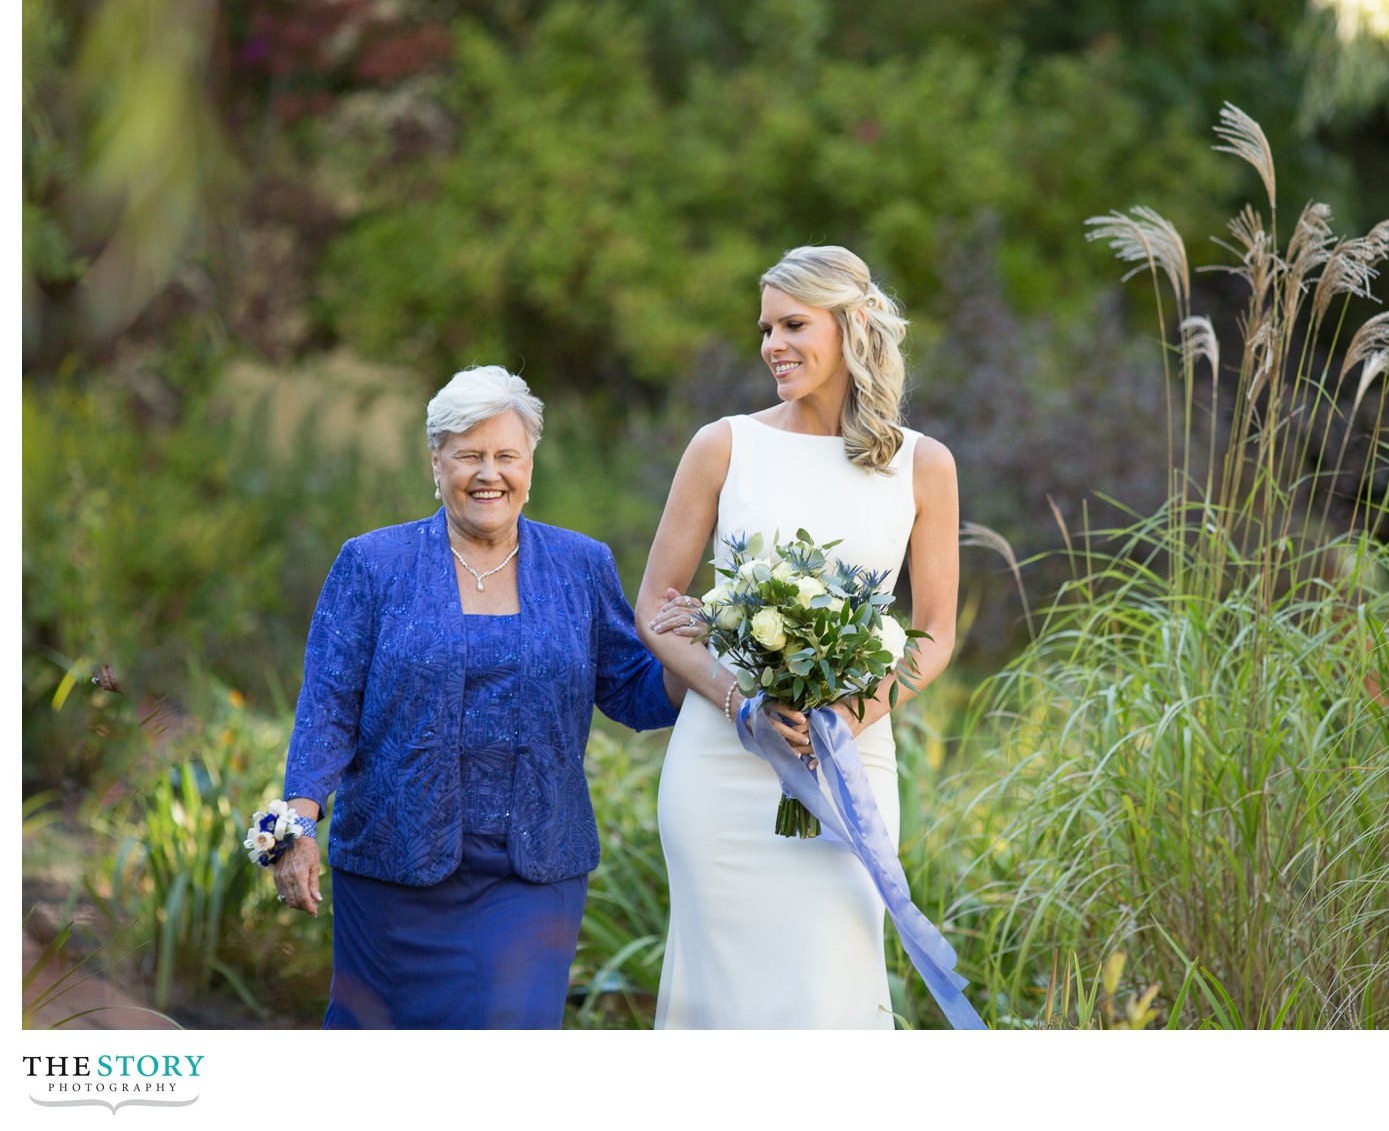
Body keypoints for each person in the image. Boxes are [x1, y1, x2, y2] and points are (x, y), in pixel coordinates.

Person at [271, 365, 683, 1029]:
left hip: (533, 869)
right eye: (469, 455)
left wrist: (703, 657)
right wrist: (288, 832)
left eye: (506, 456)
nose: (489, 472)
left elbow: (633, 691)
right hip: (390, 871)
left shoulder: (582, 565)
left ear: (530, 465)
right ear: (436, 462)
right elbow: (326, 704)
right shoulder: (373, 564)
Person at [637, 245, 960, 1028]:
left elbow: (936, 631)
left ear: (851, 327)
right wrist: (739, 698)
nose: (771, 345)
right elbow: (654, 605)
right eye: (764, 328)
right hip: (720, 769)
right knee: (722, 1003)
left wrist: (851, 717)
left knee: (829, 990)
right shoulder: (723, 446)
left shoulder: (924, 465)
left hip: (847, 766)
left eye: (792, 325)